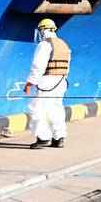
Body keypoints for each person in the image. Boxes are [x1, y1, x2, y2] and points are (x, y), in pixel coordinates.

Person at [24, 17, 70, 149]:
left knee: (37, 109)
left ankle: (43, 137)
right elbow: (67, 66)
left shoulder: (44, 45)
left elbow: (38, 66)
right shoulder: (63, 44)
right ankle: (59, 137)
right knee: (56, 109)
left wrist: (30, 83)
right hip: (61, 81)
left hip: (47, 81)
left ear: (43, 30)